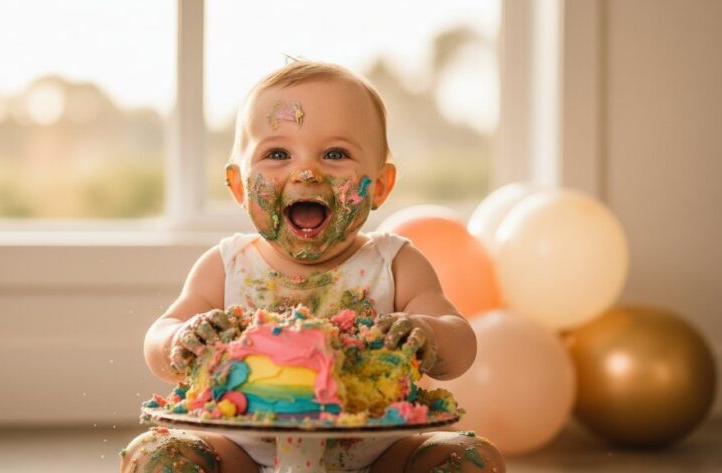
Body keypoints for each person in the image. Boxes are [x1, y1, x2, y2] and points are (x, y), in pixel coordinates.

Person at [120, 60, 506, 473]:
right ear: (238, 185)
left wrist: (429, 333)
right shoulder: (227, 265)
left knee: (470, 458)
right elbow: (158, 339)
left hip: (377, 457)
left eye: (335, 154)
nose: (306, 172)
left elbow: (460, 340)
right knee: (156, 456)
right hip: (242, 456)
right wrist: (179, 338)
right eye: (278, 153)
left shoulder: (395, 263)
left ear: (380, 185)